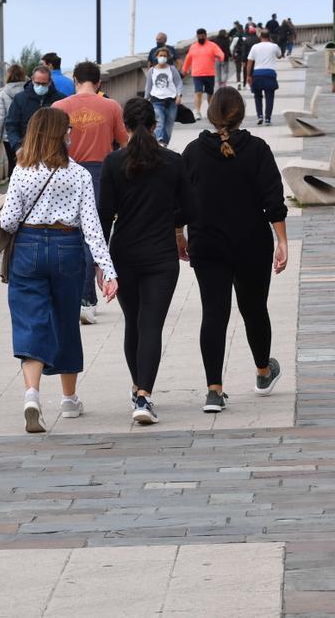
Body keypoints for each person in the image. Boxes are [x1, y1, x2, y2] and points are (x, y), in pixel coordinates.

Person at [1, 107, 118, 433]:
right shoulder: (79, 174)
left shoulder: (21, 172)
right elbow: (92, 227)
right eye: (68, 130)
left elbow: (9, 221)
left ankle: (32, 394)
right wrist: (107, 270)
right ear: (57, 134)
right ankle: (69, 400)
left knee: (30, 321)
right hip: (68, 248)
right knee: (65, 321)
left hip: (28, 248)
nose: (71, 135)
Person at [181, 87, 288, 414]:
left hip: (207, 243)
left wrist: (178, 235)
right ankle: (262, 371)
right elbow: (273, 200)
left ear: (211, 114)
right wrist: (282, 241)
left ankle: (214, 390)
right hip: (252, 243)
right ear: (241, 115)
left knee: (214, 312)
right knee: (254, 308)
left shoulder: (193, 152)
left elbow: (180, 201)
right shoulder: (257, 149)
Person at [98, 98, 192, 425]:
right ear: (155, 125)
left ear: (123, 127)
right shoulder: (173, 162)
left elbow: (104, 215)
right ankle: (144, 396)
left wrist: (101, 263)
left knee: (133, 322)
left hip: (124, 253)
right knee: (151, 325)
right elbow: (189, 208)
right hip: (162, 255)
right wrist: (175, 226)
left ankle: (137, 386)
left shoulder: (113, 163)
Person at [53, 60, 128, 325]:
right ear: (99, 83)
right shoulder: (111, 106)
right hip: (100, 173)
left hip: (65, 172)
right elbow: (124, 142)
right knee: (91, 236)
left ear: (74, 80)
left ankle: (68, 297)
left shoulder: (59, 107)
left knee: (66, 234)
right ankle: (87, 300)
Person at [4, 65, 66, 153]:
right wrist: (17, 147)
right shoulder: (20, 99)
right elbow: (11, 125)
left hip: (53, 151)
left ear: (49, 82)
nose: (40, 86)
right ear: (32, 80)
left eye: (43, 84)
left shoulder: (61, 99)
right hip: (26, 150)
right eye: (37, 83)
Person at [181, 27, 226, 115]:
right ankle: (198, 111)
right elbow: (188, 59)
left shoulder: (212, 45)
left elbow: (220, 53)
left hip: (209, 73)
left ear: (205, 36)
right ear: (197, 36)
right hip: (197, 74)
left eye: (202, 36)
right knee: (198, 92)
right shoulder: (193, 47)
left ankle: (210, 110)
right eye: (199, 36)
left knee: (210, 93)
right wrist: (185, 70)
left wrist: (221, 57)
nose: (201, 38)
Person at [145, 47, 183, 146]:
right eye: (161, 55)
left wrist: (179, 95)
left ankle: (164, 144)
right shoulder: (152, 71)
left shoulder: (172, 69)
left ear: (168, 57)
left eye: (165, 56)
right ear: (157, 56)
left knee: (168, 127)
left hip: (171, 101)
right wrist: (145, 100)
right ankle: (159, 142)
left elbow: (178, 83)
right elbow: (148, 87)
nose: (162, 57)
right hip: (156, 100)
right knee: (159, 122)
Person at [0, 64, 27, 171]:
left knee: (12, 165)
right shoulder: (28, 91)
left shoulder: (4, 94)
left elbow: (0, 118)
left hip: (9, 136)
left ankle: (12, 185)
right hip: (27, 135)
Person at [247, 29, 282, 126]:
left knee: (257, 96)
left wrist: (248, 75)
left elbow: (249, 62)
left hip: (257, 73)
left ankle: (260, 116)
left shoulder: (255, 47)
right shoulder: (274, 46)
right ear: (269, 36)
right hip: (270, 73)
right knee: (269, 97)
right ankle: (268, 118)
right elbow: (280, 56)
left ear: (260, 36)